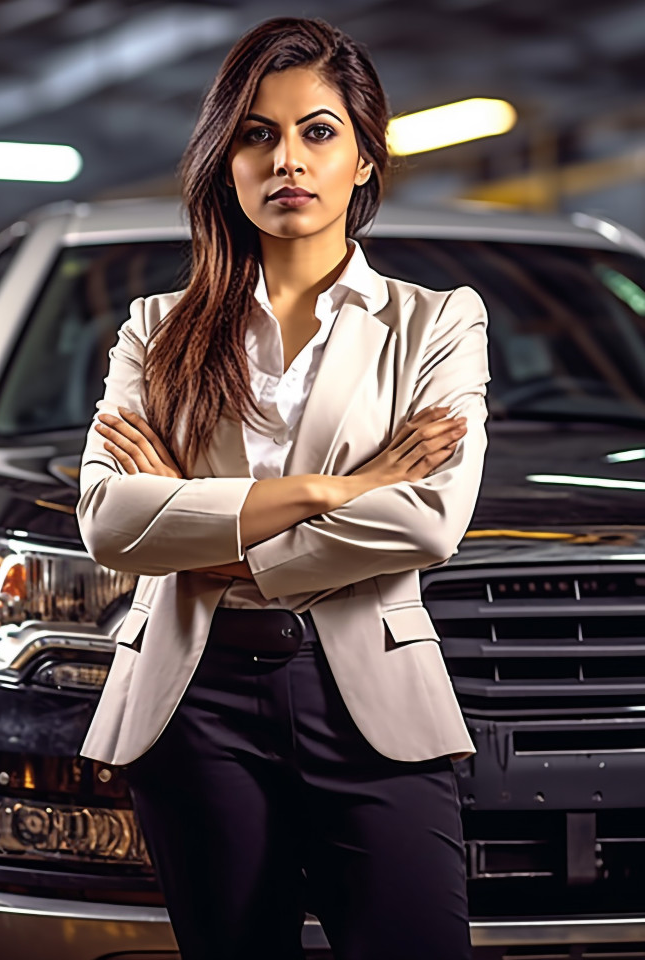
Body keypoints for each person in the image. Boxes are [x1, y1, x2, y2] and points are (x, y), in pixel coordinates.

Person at [76, 15, 490, 960]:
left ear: (366, 160)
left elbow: (426, 518)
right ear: (227, 162)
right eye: (257, 135)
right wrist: (328, 488)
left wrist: (200, 532)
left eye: (318, 131)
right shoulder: (157, 330)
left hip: (372, 700)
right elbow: (110, 521)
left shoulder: (435, 324)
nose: (286, 160)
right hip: (195, 699)